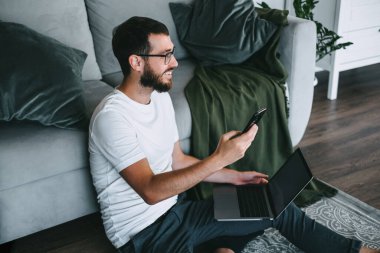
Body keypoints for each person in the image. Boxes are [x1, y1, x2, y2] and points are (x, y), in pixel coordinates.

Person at [88, 16, 378, 253]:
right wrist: (217, 158)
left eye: (172, 53)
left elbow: (176, 160)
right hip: (144, 237)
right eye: (164, 56)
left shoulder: (160, 96)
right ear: (136, 62)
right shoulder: (112, 118)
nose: (174, 62)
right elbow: (150, 191)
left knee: (270, 204)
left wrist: (234, 176)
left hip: (180, 211)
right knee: (255, 222)